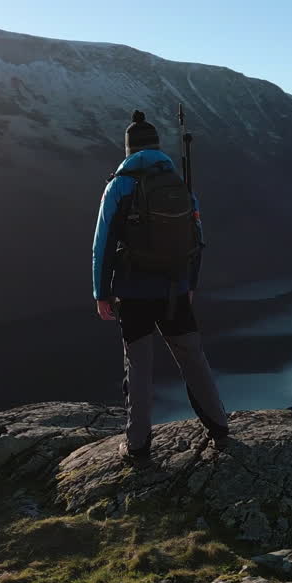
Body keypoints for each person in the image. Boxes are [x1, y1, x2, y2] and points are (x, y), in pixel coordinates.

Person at [92, 110, 230, 464]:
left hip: (133, 291)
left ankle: (137, 447)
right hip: (175, 288)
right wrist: (190, 284)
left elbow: (103, 242)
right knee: (193, 358)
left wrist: (101, 293)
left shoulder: (120, 185)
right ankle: (218, 429)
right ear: (157, 147)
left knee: (138, 367)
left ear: (128, 150)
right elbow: (197, 239)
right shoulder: (179, 183)